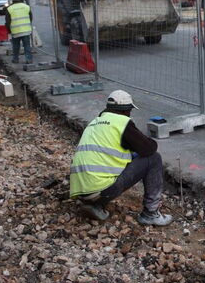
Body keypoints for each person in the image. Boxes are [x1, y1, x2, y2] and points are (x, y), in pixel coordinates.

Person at [69, 90, 172, 226]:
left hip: (81, 192)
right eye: (129, 111)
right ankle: (150, 213)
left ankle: (95, 205)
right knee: (153, 158)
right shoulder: (121, 122)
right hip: (101, 190)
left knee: (114, 167)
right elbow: (149, 149)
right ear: (126, 110)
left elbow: (107, 154)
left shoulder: (94, 123)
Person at [5, 0, 33, 64]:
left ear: (12, 0)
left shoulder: (9, 9)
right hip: (26, 30)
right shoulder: (26, 7)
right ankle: (28, 59)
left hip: (15, 31)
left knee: (16, 46)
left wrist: (9, 31)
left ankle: (15, 59)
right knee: (27, 46)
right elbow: (30, 18)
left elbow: (8, 22)